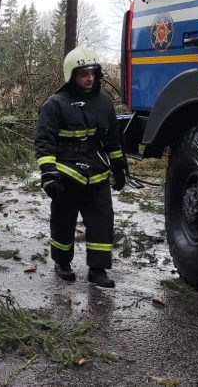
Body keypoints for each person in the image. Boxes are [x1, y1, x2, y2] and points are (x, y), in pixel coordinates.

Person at [34, 46, 127, 288]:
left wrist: (118, 168)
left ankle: (97, 270)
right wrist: (49, 175)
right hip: (67, 175)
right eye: (84, 73)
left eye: (93, 73)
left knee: (102, 222)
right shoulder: (54, 105)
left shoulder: (104, 103)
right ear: (71, 74)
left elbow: (112, 139)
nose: (90, 78)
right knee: (63, 222)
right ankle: (62, 263)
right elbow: (44, 143)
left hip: (97, 173)